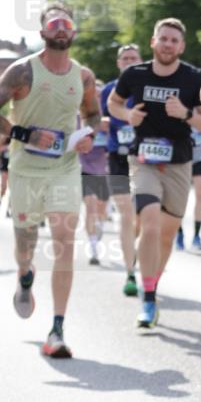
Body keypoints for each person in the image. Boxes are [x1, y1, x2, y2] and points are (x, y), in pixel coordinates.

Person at [0, 3, 100, 358]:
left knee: (65, 240)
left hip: (64, 167)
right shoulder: (22, 71)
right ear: (43, 33)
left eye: (67, 24)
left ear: (74, 32)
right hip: (24, 170)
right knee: (25, 247)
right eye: (55, 24)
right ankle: (24, 276)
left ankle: (57, 329)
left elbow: (93, 113)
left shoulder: (83, 77)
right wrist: (25, 134)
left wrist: (89, 133)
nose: (62, 29)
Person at [107, 19, 201, 328]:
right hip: (142, 160)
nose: (168, 44)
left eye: (174, 41)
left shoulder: (195, 79)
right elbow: (113, 103)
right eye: (163, 39)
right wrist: (127, 114)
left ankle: (152, 281)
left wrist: (187, 114)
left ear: (181, 47)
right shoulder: (134, 74)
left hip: (180, 162)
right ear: (153, 42)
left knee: (167, 235)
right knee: (150, 221)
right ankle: (149, 295)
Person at [100, 44, 143, 295]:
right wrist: (103, 121)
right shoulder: (109, 89)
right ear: (119, 63)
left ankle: (136, 250)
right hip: (117, 156)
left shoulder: (146, 86)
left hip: (144, 157)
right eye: (124, 58)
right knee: (126, 214)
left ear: (140, 61)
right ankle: (130, 272)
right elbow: (95, 117)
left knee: (141, 218)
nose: (128, 61)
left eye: (133, 58)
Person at [80, 81, 111, 265]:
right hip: (85, 169)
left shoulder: (109, 120)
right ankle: (93, 248)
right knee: (90, 208)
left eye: (100, 96)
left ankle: (98, 227)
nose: (97, 99)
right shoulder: (80, 118)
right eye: (94, 96)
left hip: (105, 171)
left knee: (101, 210)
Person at [175, 125, 201, 251]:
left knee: (200, 193)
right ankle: (179, 233)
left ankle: (196, 236)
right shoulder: (181, 108)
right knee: (179, 197)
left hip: (200, 158)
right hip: (182, 157)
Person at [0, 135, 11, 214]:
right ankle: (0, 201)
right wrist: (5, 148)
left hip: (13, 167)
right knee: (3, 186)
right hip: (4, 166)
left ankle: (8, 208)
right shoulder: (4, 137)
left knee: (12, 188)